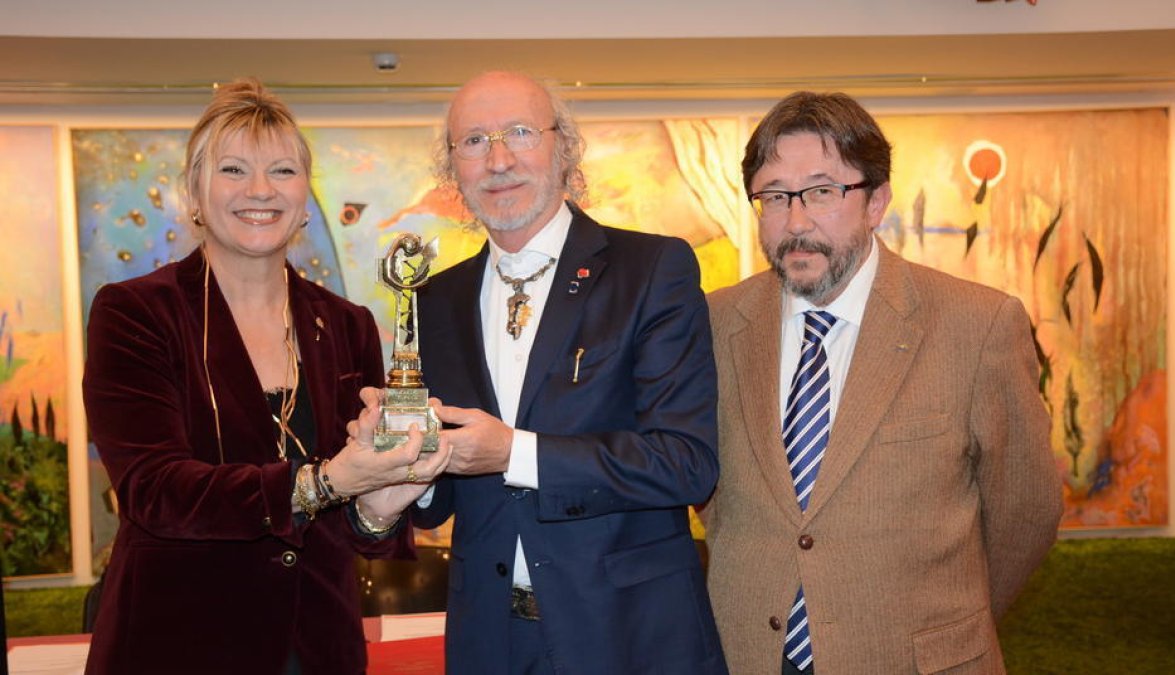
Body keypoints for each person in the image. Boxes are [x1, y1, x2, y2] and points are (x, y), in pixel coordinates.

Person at [82, 78, 450, 675]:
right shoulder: (136, 313)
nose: (260, 191)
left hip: (318, 645)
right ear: (194, 195)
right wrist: (325, 482)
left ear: (305, 199)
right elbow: (155, 491)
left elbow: (356, 528)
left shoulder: (346, 323)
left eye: (282, 171)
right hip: (176, 643)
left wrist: (383, 501)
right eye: (233, 169)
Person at [702, 91, 1063, 674]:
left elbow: (1026, 510)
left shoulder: (976, 324)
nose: (796, 222)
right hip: (748, 656)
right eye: (774, 196)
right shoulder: (715, 324)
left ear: (876, 202)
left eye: (822, 191)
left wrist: (952, 620)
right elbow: (712, 498)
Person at [408, 71, 727, 674]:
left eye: (520, 133)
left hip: (628, 635)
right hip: (490, 641)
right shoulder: (435, 302)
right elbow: (437, 504)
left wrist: (514, 453)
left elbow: (686, 462)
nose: (498, 159)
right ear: (453, 171)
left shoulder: (652, 268)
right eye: (473, 141)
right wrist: (411, 465)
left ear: (565, 149)